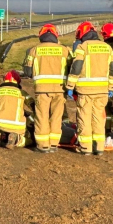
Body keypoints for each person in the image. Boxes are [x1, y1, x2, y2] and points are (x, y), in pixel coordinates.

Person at [65, 21, 113, 156]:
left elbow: (76, 67)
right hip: (103, 91)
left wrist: (70, 86)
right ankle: (99, 147)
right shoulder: (107, 47)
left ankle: (86, 148)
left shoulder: (83, 47)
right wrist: (111, 87)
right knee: (99, 118)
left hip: (85, 91)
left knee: (84, 118)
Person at [23, 24, 72, 153]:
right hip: (60, 89)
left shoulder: (34, 50)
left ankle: (43, 145)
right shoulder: (65, 50)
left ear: (41, 35)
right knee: (56, 116)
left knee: (42, 116)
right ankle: (54, 144)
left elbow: (27, 71)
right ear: (56, 35)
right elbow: (72, 68)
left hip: (42, 89)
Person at [0, 70, 34, 148]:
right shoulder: (22, 92)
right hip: (18, 126)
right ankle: (18, 139)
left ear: (5, 80)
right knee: (29, 141)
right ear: (18, 82)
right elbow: (33, 105)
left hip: (0, 124)